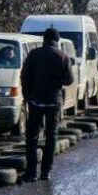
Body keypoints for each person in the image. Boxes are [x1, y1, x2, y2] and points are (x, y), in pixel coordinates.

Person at [19, 28, 75, 182]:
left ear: (44, 39)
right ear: (57, 41)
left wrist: (27, 96)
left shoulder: (34, 55)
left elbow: (24, 77)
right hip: (53, 101)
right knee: (51, 136)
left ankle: (31, 172)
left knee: (32, 136)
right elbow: (69, 80)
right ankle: (46, 171)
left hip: (35, 101)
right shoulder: (63, 57)